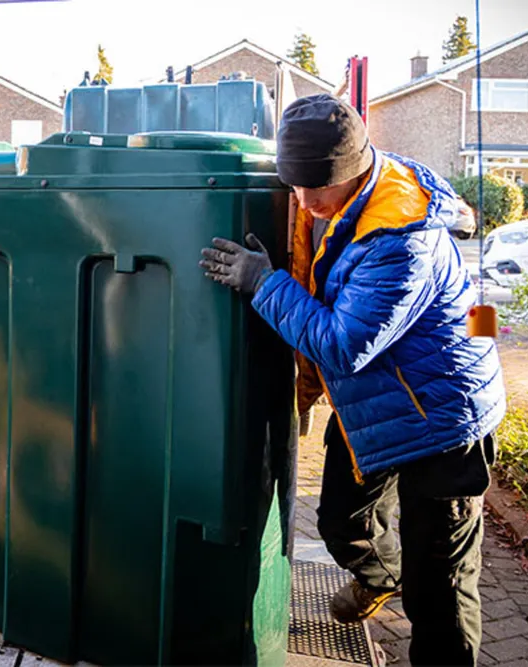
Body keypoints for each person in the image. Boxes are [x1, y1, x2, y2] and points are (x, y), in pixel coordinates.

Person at [199, 94, 506, 666]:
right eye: (295, 186)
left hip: (445, 417)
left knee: (438, 584)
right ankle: (383, 577)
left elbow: (345, 345)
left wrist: (263, 284)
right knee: (342, 521)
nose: (305, 201)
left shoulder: (400, 237)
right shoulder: (335, 202)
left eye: (318, 187)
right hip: (378, 404)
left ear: (356, 168)